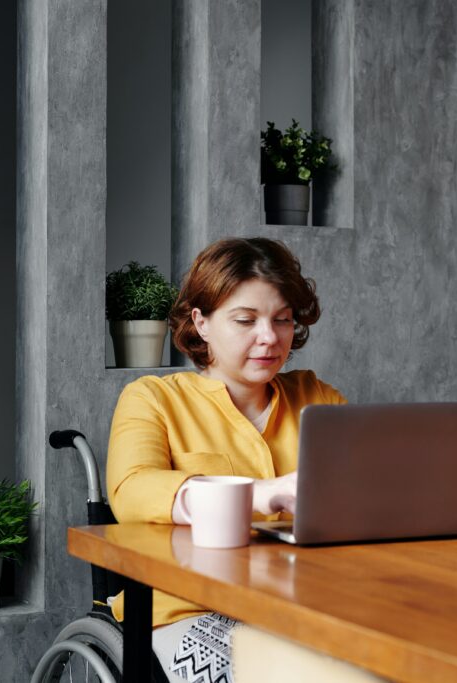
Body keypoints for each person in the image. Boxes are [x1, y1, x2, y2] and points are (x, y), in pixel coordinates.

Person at [106, 237, 346, 682]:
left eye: (283, 319)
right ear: (201, 322)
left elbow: (366, 490)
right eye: (245, 320)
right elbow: (132, 490)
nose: (269, 337)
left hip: (304, 602)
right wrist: (262, 493)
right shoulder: (153, 399)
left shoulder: (317, 397)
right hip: (187, 608)